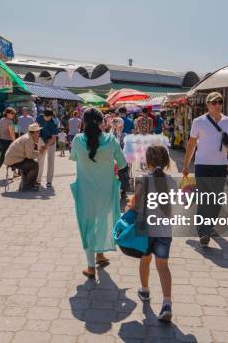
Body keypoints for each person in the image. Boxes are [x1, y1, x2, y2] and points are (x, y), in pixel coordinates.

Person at [70, 108, 128, 279]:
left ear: (84, 122)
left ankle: (91, 266)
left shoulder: (78, 140)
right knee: (102, 221)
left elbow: (73, 157)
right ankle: (100, 255)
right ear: (102, 122)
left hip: (85, 192)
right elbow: (123, 163)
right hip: (106, 192)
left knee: (88, 226)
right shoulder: (111, 140)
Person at [182, 92, 228, 246]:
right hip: (202, 165)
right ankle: (203, 231)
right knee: (204, 199)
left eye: (220, 102)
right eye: (214, 102)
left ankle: (209, 226)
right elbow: (191, 143)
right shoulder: (199, 121)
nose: (217, 105)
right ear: (208, 104)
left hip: (220, 165)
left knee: (216, 200)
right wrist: (186, 164)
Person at [126, 145, 176, 322]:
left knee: (145, 260)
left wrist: (128, 206)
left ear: (147, 162)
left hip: (144, 229)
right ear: (166, 162)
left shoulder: (142, 179)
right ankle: (167, 303)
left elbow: (136, 204)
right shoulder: (171, 181)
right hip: (164, 229)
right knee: (163, 266)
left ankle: (145, 290)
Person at [4, 123, 44, 191]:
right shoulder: (29, 139)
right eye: (38, 132)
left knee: (29, 163)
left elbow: (28, 154)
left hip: (12, 158)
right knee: (34, 165)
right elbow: (29, 155)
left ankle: (24, 185)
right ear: (35, 132)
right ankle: (29, 186)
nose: (39, 134)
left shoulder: (27, 136)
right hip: (13, 160)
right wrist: (39, 153)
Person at [0, 107, 16, 180]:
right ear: (7, 113)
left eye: (14, 114)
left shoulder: (2, 119)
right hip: (8, 141)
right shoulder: (9, 122)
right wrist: (15, 142)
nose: (13, 115)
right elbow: (12, 134)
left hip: (1, 141)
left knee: (9, 156)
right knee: (5, 158)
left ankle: (15, 172)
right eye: (12, 114)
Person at [36, 109, 58, 188]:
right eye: (44, 116)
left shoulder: (54, 122)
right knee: (40, 160)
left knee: (51, 161)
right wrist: (38, 141)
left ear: (51, 116)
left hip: (51, 142)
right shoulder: (39, 118)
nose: (45, 118)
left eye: (47, 117)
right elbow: (36, 129)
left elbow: (53, 138)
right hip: (41, 139)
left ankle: (49, 181)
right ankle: (37, 180)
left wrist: (45, 146)